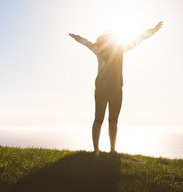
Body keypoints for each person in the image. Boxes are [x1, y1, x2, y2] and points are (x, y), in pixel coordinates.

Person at [69, 21, 163, 153]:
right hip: (115, 88)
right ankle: (112, 150)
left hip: (102, 88)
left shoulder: (98, 48)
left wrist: (76, 37)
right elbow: (138, 38)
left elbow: (86, 42)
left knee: (98, 119)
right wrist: (152, 30)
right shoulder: (120, 49)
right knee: (113, 120)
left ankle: (96, 150)